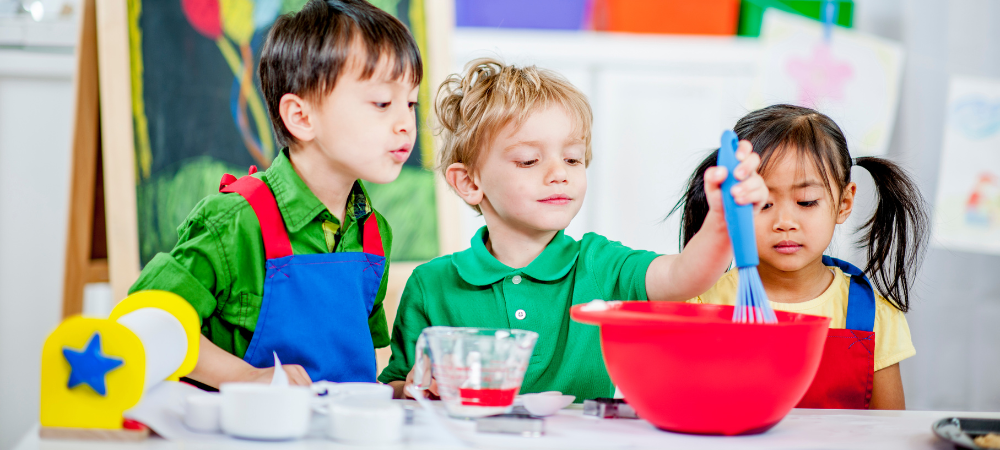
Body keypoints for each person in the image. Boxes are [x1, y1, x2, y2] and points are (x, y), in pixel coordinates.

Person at [377, 58, 770, 400]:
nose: (558, 174)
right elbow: (396, 388)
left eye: (572, 158)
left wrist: (721, 221)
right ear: (469, 183)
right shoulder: (431, 285)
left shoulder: (598, 263)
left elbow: (686, 276)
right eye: (529, 161)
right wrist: (415, 387)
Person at [129, 0, 422, 387]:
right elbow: (145, 317)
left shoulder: (373, 233)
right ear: (301, 117)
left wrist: (403, 389)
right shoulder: (235, 221)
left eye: (411, 103)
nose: (405, 123)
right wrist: (246, 377)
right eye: (382, 103)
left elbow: (350, 378)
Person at [677, 104, 928, 410]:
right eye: (764, 203)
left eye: (806, 202)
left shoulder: (875, 315)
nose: (785, 221)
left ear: (844, 203)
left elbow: (889, 432)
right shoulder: (702, 304)